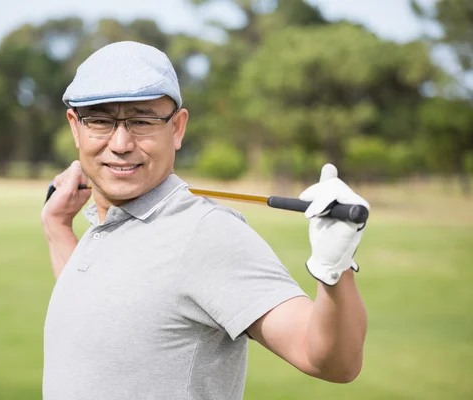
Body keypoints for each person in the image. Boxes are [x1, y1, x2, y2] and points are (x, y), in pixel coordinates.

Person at [40, 41, 369, 400]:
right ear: (76, 128)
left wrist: (333, 272)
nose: (120, 143)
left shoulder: (207, 234)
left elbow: (332, 362)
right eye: (100, 121)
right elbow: (103, 307)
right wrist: (57, 228)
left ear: (177, 128)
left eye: (142, 120)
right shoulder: (104, 225)